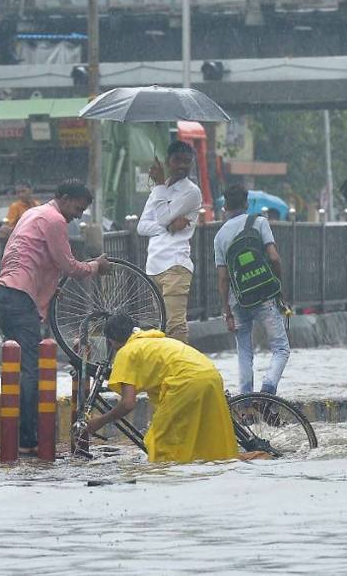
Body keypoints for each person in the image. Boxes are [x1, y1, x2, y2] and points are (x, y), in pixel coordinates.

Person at [0, 179, 109, 454]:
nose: (78, 215)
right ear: (65, 199)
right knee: (31, 369)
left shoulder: (33, 214)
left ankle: (17, 437)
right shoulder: (54, 219)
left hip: (3, 294)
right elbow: (68, 265)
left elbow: (31, 257)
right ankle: (28, 441)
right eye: (78, 208)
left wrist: (48, 288)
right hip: (18, 299)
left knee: (20, 366)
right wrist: (95, 266)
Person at [81, 313, 243, 463]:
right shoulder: (155, 339)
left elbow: (128, 403)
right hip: (211, 375)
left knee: (160, 442)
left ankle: (166, 485)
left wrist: (99, 422)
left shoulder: (126, 352)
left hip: (187, 383)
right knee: (205, 439)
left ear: (111, 340)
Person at [214, 184, 290, 395]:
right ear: (246, 203)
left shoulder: (220, 236)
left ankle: (246, 404)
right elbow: (274, 258)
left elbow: (223, 278)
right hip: (264, 295)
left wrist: (226, 311)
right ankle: (268, 390)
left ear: (225, 206)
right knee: (281, 348)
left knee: (244, 352)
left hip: (237, 300)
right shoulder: (259, 222)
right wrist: (279, 288)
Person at [137, 141, 203, 343]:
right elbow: (141, 227)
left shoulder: (191, 192)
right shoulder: (161, 188)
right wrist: (167, 227)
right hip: (153, 266)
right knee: (158, 327)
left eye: (187, 161)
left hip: (176, 265)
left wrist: (164, 219)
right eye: (177, 160)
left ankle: (182, 371)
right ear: (168, 162)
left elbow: (162, 217)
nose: (182, 165)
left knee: (175, 325)